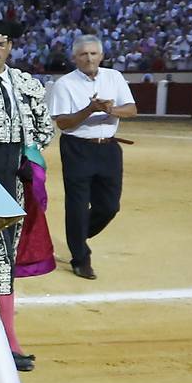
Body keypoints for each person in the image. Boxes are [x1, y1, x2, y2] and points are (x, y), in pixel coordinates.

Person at [0, 19, 54, 370]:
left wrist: (28, 157)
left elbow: (44, 131)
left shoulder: (25, 85)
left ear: (10, 46)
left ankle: (4, 340)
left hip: (12, 179)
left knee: (4, 258)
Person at [45, 34, 136, 280]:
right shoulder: (65, 84)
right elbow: (63, 122)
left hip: (109, 147)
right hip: (78, 148)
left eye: (93, 53)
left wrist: (110, 110)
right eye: (83, 54)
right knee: (76, 204)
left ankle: (78, 234)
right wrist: (90, 109)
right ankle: (80, 258)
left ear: (102, 56)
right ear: (75, 58)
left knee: (109, 206)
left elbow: (131, 109)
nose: (89, 58)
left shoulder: (114, 77)